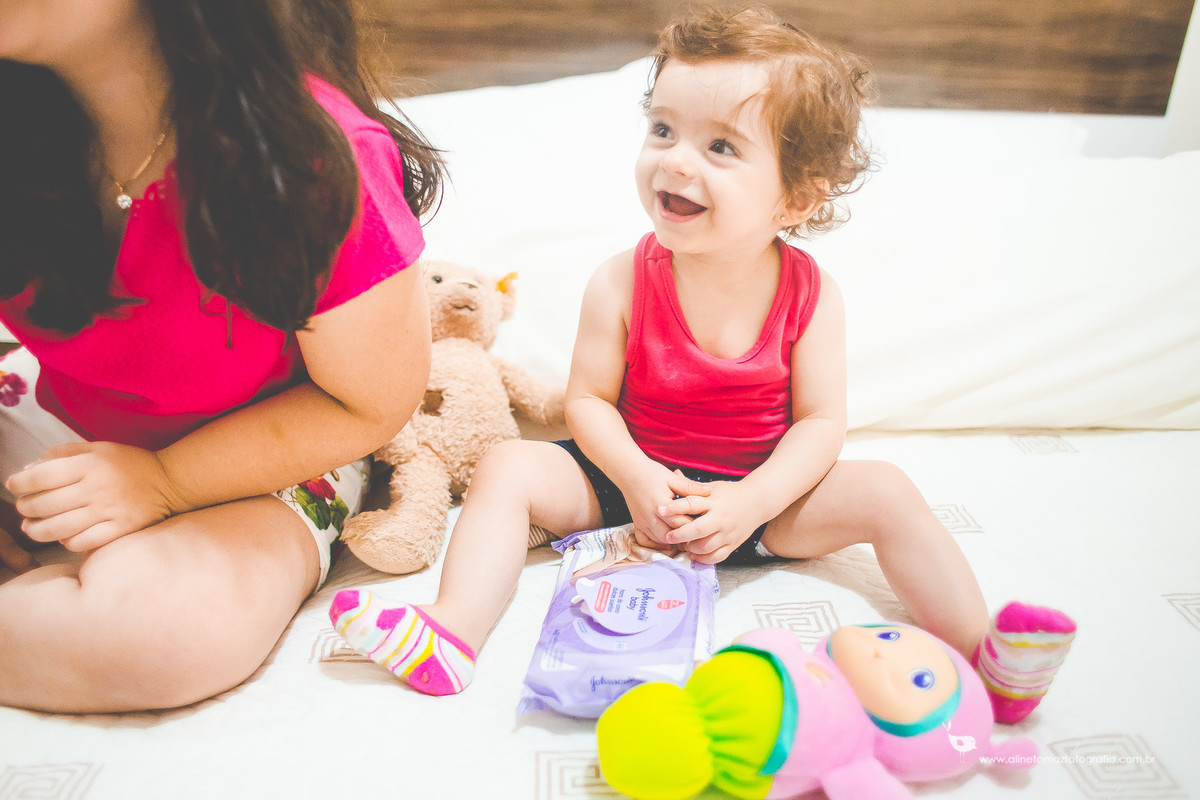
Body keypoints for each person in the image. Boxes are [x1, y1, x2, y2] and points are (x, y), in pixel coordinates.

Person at [330, 4, 1074, 722]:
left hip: (762, 499)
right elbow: (589, 401)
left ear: (796, 197)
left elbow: (820, 423)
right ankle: (452, 631)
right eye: (662, 129)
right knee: (506, 467)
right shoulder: (621, 279)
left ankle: (986, 661)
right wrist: (636, 477)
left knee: (885, 489)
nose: (675, 161)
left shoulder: (813, 296)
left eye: (720, 147)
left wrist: (751, 503)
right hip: (631, 487)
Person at [0, 0, 441, 712]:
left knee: (157, 637)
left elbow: (369, 403)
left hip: (270, 452)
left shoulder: (309, 156)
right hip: (56, 409)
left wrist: (163, 482)